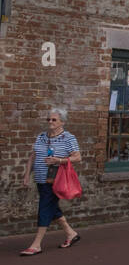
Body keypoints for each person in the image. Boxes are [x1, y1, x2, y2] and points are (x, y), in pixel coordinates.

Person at [20, 108, 82, 255]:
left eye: (54, 120)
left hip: (55, 180)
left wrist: (59, 160)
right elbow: (32, 157)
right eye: (49, 119)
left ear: (62, 122)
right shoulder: (41, 137)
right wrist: (27, 175)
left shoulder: (68, 138)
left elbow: (78, 157)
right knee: (51, 207)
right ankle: (71, 233)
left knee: (45, 208)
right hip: (41, 179)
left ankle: (36, 245)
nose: (50, 122)